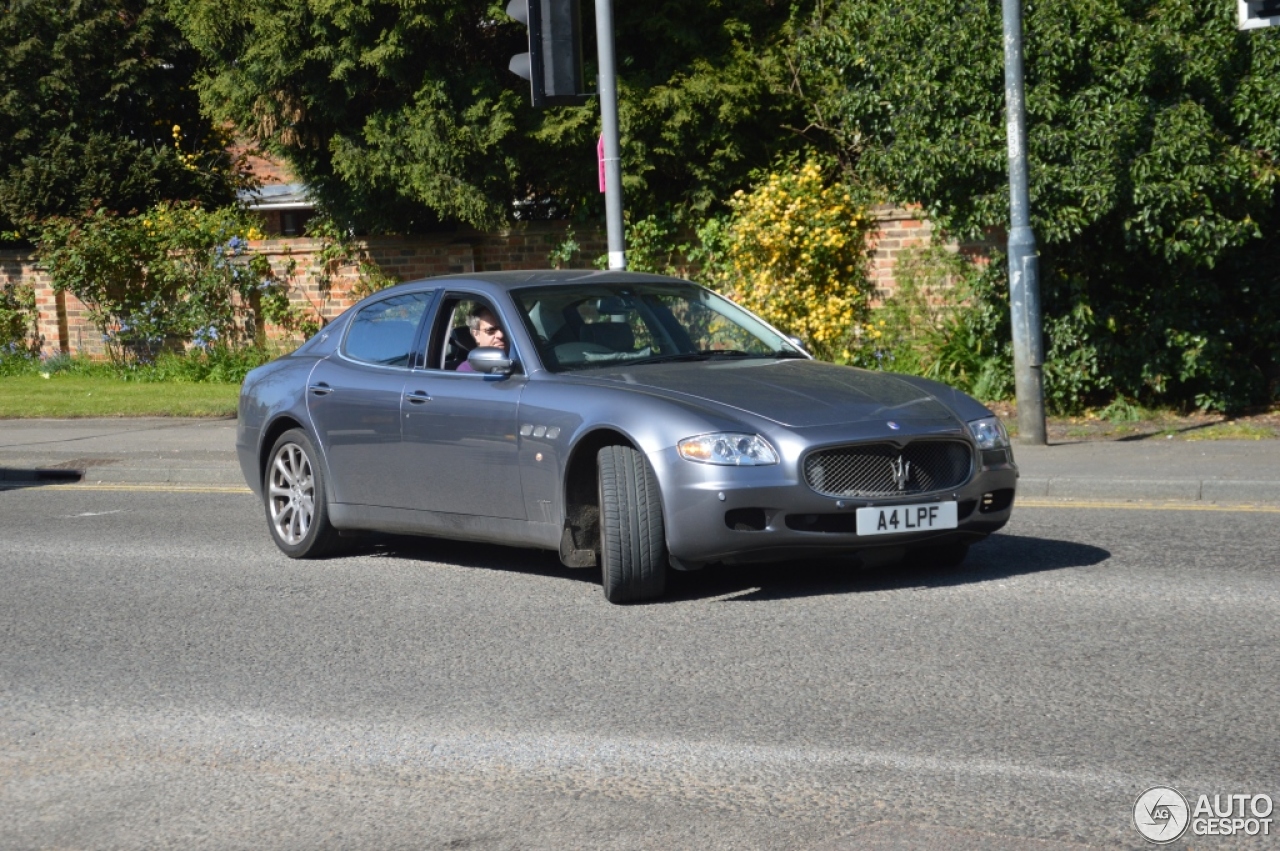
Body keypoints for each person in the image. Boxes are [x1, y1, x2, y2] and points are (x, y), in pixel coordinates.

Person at [455, 305, 506, 372]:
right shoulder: (466, 371)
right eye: (491, 330)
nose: (500, 335)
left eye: (503, 329)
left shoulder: (521, 358)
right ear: (476, 335)